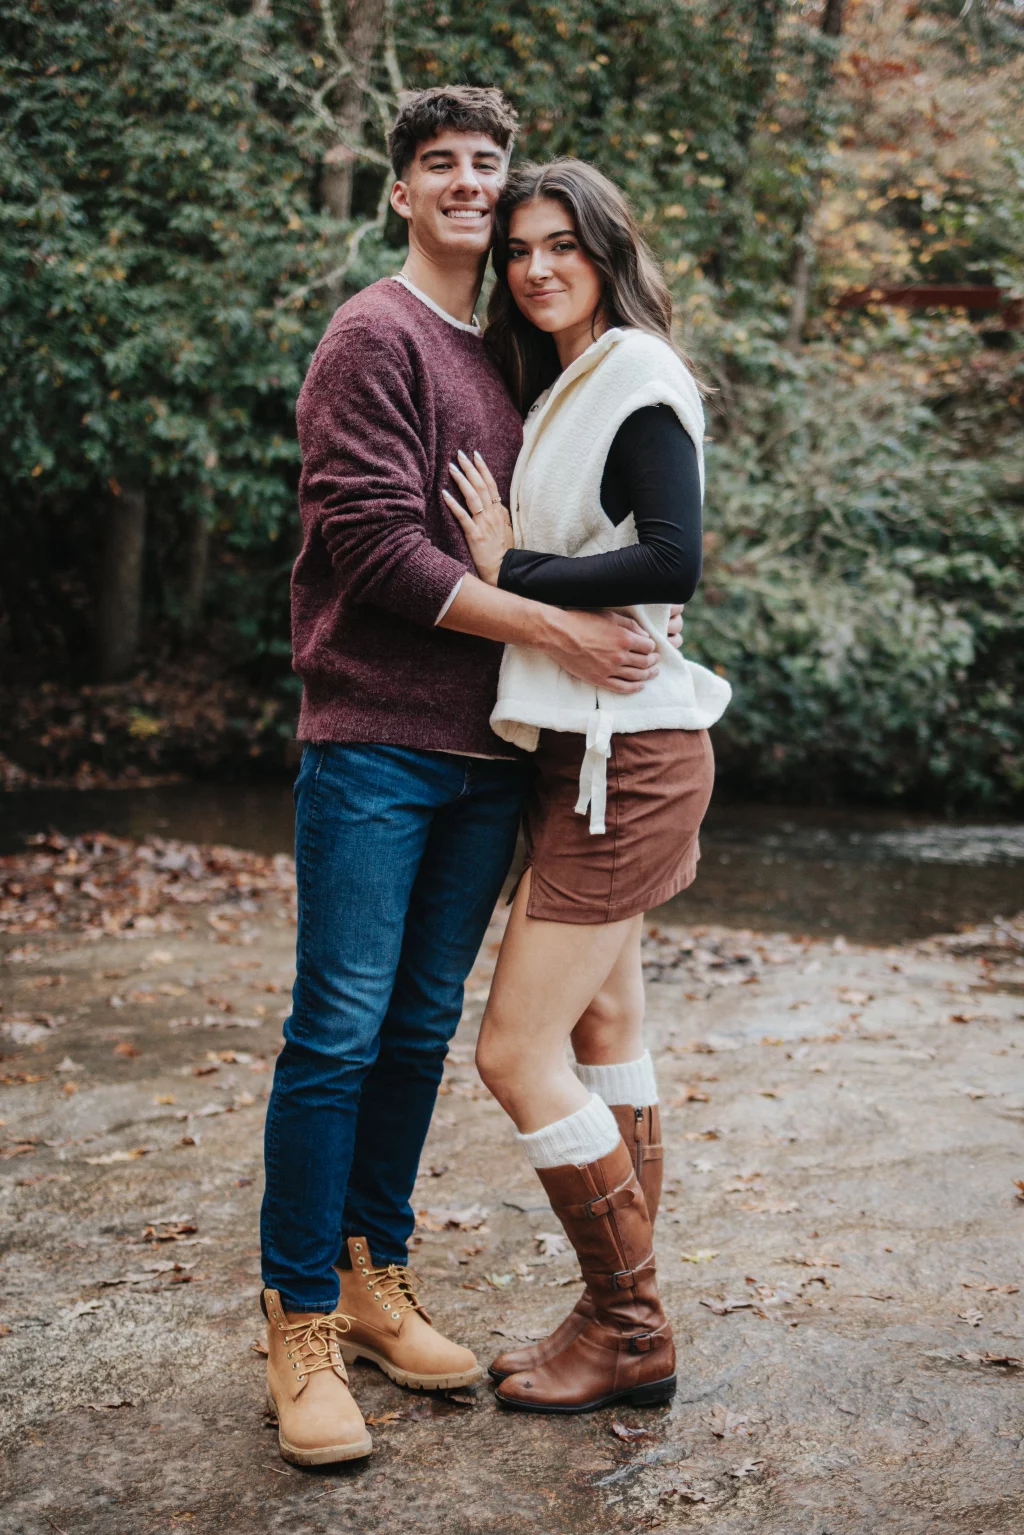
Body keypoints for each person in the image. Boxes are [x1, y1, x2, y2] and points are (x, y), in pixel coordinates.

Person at [258, 90, 682, 1466]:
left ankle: (379, 1275)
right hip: (375, 740)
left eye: (483, 166)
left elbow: (625, 524)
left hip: (494, 751)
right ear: (399, 191)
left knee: (416, 1026)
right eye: (436, 164)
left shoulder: (522, 351)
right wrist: (557, 622)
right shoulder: (372, 335)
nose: (463, 184)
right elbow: (376, 550)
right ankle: (301, 1316)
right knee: (335, 1028)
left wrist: (589, 625)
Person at [442, 158, 732, 1414]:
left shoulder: (641, 377)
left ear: (607, 250)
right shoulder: (572, 379)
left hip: (635, 757)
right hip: (590, 750)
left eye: (563, 243)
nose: (537, 266)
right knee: (603, 1030)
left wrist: (515, 564)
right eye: (517, 250)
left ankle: (631, 1325)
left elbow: (674, 560)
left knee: (515, 1049)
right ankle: (610, 1313)